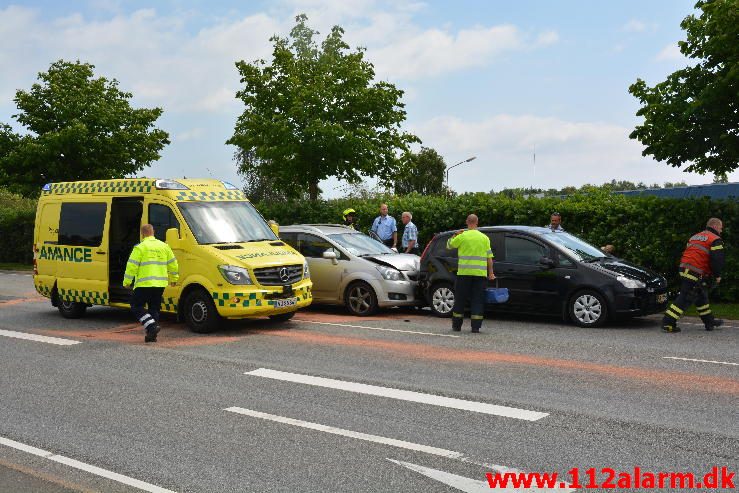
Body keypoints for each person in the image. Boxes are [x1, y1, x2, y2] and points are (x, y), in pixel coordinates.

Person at [662, 218, 725, 333]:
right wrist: (717, 275)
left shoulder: (695, 236)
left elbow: (692, 253)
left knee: (701, 296)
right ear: (715, 226)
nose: (721, 231)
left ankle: (709, 321)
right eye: (721, 228)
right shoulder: (715, 239)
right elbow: (717, 260)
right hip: (695, 271)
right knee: (686, 297)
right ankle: (668, 323)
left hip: (685, 268)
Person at [123, 224, 179, 343]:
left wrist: (127, 282)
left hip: (144, 283)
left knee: (136, 306)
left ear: (142, 234)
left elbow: (131, 266)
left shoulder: (140, 247)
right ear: (153, 232)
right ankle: (151, 335)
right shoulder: (164, 246)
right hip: (160, 284)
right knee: (154, 308)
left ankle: (151, 326)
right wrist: (174, 279)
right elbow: (173, 264)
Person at [447, 214, 495, 333]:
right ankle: (475, 327)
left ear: (467, 222)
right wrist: (491, 273)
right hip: (480, 274)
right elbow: (489, 258)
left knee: (460, 300)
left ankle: (457, 326)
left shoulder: (462, 236)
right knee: (477, 300)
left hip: (464, 273)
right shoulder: (484, 238)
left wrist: (455, 234)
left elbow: (449, 245)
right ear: (477, 222)